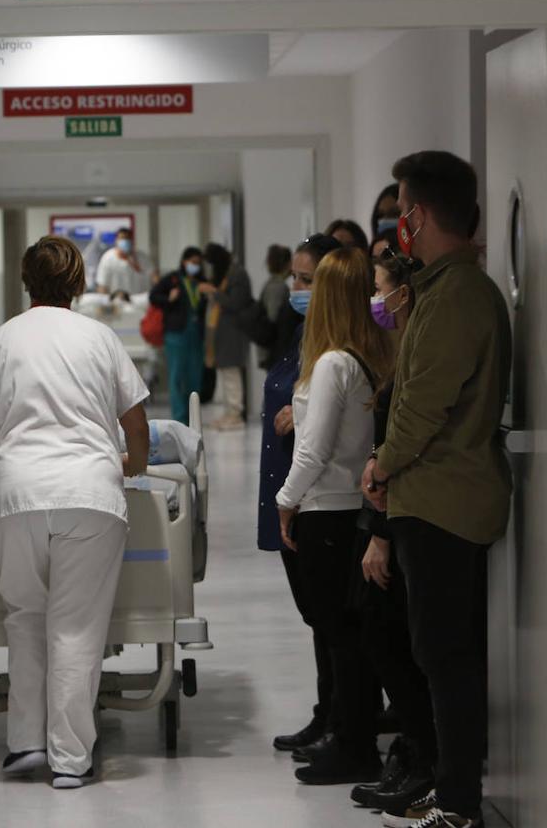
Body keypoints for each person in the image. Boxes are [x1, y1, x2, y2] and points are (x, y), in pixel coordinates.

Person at [0, 236, 150, 789]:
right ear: (79, 283)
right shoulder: (99, 338)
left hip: (16, 498)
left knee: (26, 619)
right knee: (77, 627)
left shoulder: (4, 338)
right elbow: (135, 420)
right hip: (89, 496)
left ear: (26, 281)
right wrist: (135, 465)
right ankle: (70, 760)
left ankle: (25, 746)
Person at [363, 150, 512, 828]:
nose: (399, 225)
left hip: (444, 501)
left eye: (401, 211)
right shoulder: (444, 287)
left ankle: (457, 803)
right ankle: (448, 787)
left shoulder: (459, 296)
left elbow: (425, 402)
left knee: (447, 656)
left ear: (417, 216)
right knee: (435, 650)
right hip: (429, 498)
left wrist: (383, 464)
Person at [273, 246, 393, 786]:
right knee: (351, 636)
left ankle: (353, 745)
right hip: (351, 511)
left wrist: (285, 500)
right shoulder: (365, 357)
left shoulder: (330, 364)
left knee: (341, 637)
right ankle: (353, 740)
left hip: (325, 512)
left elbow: (313, 448)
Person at [349, 256, 438, 816]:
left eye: (380, 290)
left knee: (398, 641)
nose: (375, 301)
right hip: (388, 510)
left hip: (400, 516)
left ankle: (425, 760)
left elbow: (407, 439)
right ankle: (414, 750)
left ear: (403, 294)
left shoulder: (417, 353)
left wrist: (379, 533)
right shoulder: (398, 350)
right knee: (386, 634)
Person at [259, 234, 342, 756]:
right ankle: (327, 715)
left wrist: (301, 411)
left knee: (332, 621)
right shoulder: (300, 333)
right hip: (290, 491)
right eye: (295, 277)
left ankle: (341, 723)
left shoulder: (335, 347)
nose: (295, 288)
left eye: (306, 280)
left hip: (313, 499)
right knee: (317, 618)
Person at [196, 243, 253, 430]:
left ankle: (236, 414)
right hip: (221, 334)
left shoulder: (237, 274)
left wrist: (213, 292)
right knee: (224, 374)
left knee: (231, 374)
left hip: (232, 333)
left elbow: (235, 303)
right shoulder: (225, 275)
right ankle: (229, 412)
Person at [149, 248, 206, 424]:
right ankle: (180, 417)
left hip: (195, 334)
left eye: (198, 263)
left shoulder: (202, 283)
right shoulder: (173, 279)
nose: (195, 266)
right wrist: (169, 299)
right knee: (177, 377)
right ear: (184, 262)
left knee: (194, 377)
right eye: (192, 262)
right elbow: (154, 296)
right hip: (176, 334)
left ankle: (193, 417)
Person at [95, 227, 154, 296]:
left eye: (128, 238)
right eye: (122, 238)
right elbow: (102, 285)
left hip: (139, 300)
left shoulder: (142, 257)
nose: (125, 241)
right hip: (117, 301)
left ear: (132, 240)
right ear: (116, 240)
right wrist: (104, 302)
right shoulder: (108, 258)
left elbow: (154, 275)